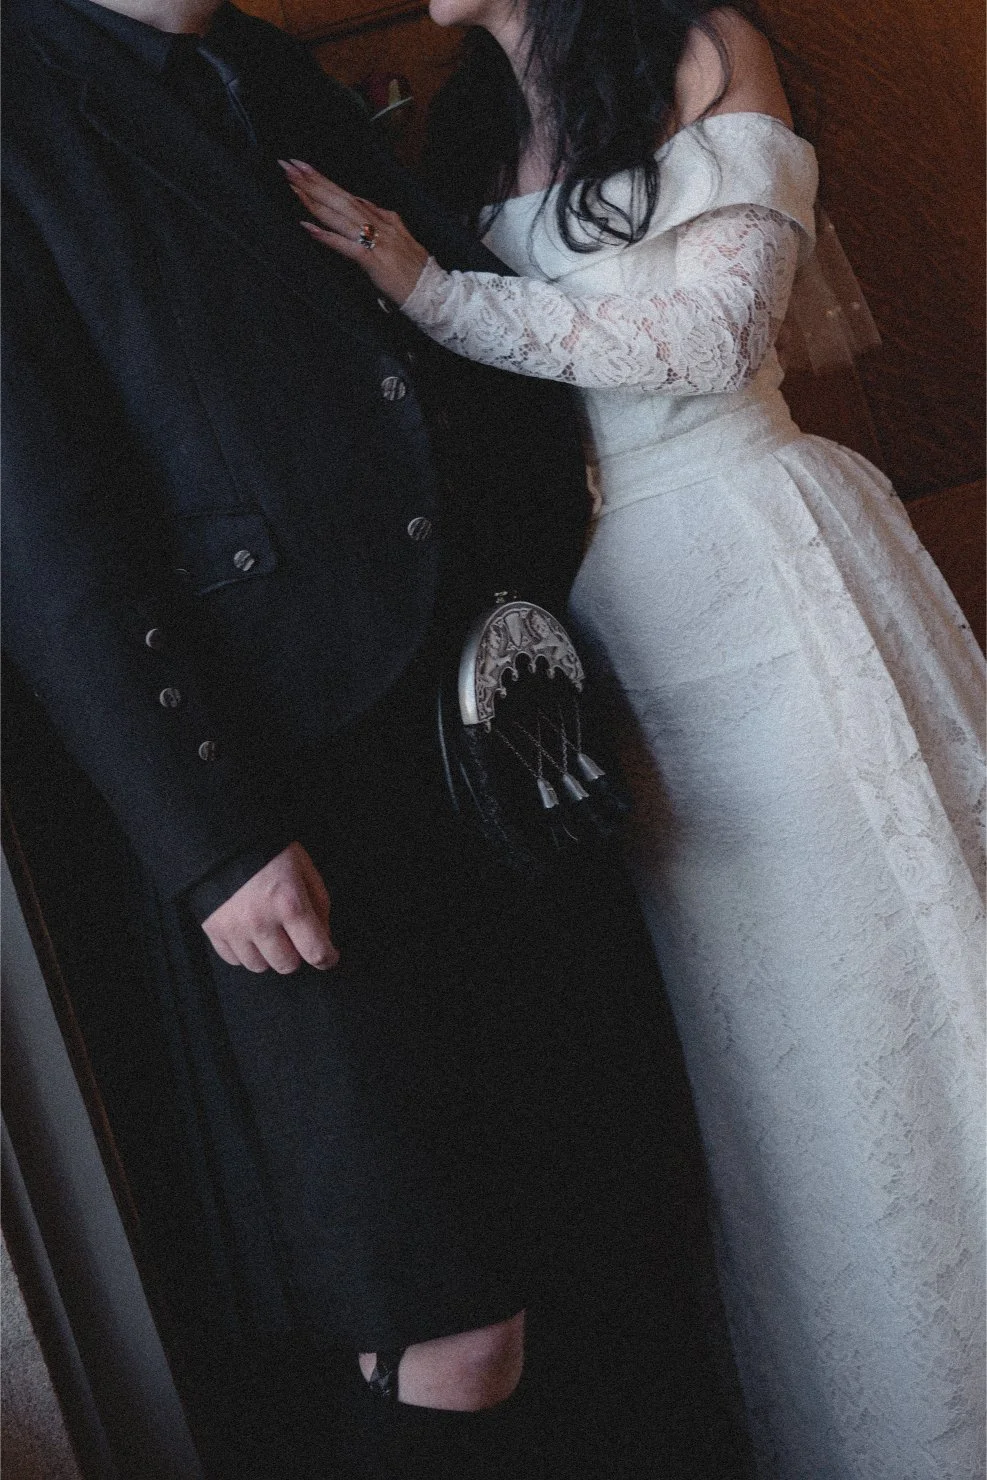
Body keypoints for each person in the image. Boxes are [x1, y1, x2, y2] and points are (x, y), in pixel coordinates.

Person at [1, 1, 744, 1476]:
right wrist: (211, 840)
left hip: (473, 751)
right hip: (274, 795)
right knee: (436, 1324)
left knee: (588, 1233)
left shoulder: (263, 64)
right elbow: (35, 530)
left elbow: (426, 326)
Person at [280, 2, 987, 1477]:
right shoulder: (463, 118)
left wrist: (430, 290)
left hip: (765, 553)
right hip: (625, 618)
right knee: (765, 1049)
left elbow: (710, 331)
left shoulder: (704, 43)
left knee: (886, 962)